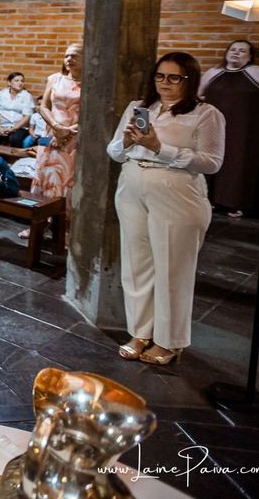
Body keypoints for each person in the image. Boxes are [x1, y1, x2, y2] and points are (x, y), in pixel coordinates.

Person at [107, 52, 225, 367]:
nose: (165, 84)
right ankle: (140, 332)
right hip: (131, 189)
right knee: (136, 265)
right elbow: (114, 151)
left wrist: (160, 148)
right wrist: (130, 142)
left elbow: (212, 162)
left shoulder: (205, 114)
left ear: (191, 80)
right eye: (160, 76)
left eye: (175, 78)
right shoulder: (139, 108)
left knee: (173, 269)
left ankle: (169, 341)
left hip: (177, 194)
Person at [199, 40, 259, 218]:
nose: (236, 53)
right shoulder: (214, 73)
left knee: (240, 163)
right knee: (213, 157)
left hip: (246, 128)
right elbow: (199, 94)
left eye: (242, 51)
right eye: (233, 49)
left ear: (249, 57)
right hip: (215, 126)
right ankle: (211, 199)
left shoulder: (256, 73)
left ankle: (237, 203)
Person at [25, 44, 83, 239]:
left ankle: (64, 231)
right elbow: (44, 106)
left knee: (66, 182)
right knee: (43, 178)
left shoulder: (91, 83)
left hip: (74, 137)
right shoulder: (54, 79)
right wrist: (57, 127)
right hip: (51, 133)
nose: (69, 59)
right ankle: (38, 226)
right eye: (67, 56)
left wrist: (68, 132)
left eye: (74, 56)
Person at [0, 71, 36, 146]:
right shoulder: (1, 94)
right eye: (16, 81)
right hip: (3, 126)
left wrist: (13, 129)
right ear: (9, 83)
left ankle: (12, 157)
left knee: (14, 138)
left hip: (20, 127)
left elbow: (27, 116)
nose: (20, 83)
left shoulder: (27, 96)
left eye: (22, 81)